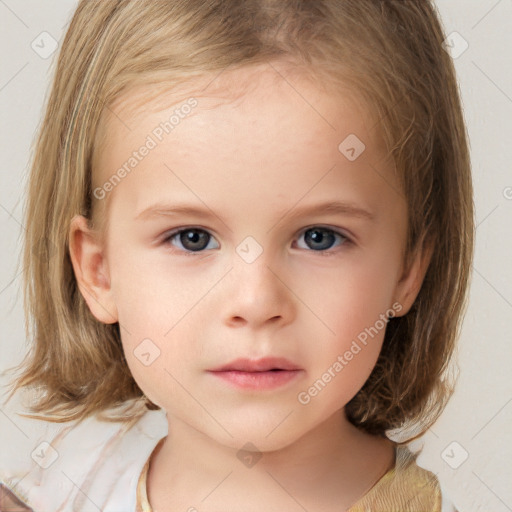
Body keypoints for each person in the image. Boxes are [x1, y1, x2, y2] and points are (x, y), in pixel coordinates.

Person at [0, 0, 474, 510]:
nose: (255, 302)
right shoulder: (58, 493)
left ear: (407, 268)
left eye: (319, 237)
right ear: (98, 271)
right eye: (192, 238)